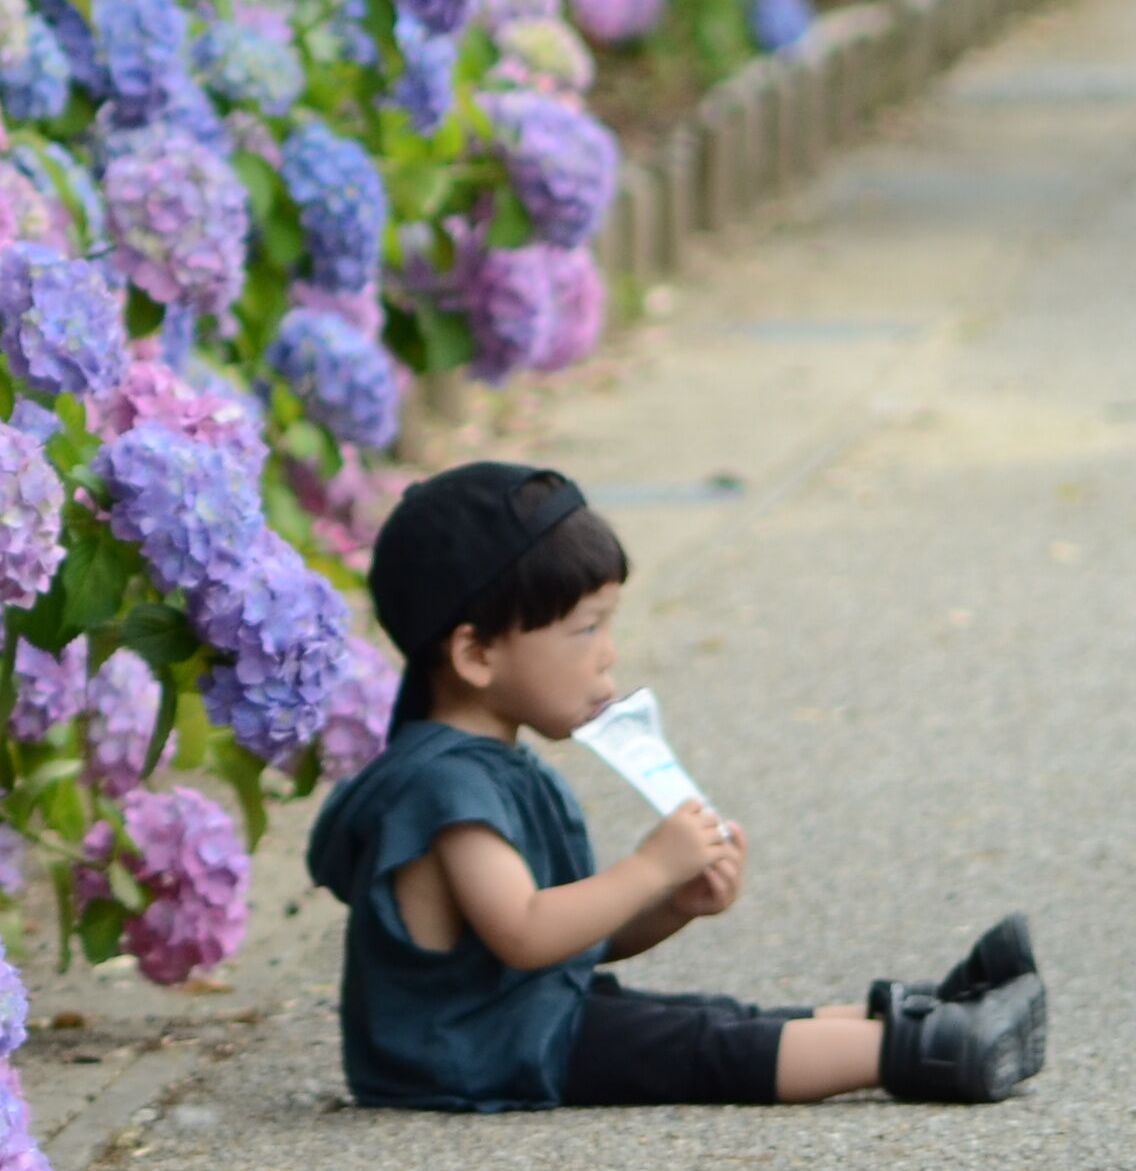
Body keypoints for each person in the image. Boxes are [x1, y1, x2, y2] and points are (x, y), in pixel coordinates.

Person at [305, 459, 1047, 1110]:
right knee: (695, 1041)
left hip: (515, 1024)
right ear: (475, 654)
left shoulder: (485, 770)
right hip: (478, 1050)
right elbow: (527, 933)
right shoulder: (444, 788)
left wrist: (668, 906)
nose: (607, 655)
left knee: (709, 1015)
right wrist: (650, 866)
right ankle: (930, 1050)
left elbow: (566, 943)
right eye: (584, 629)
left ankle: (920, 1015)